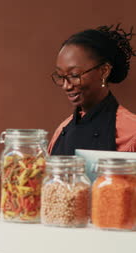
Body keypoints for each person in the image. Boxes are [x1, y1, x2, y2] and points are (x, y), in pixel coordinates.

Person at [48, 24, 136, 155]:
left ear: (104, 71)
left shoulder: (131, 132)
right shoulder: (61, 131)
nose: (66, 86)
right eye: (61, 76)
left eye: (74, 75)